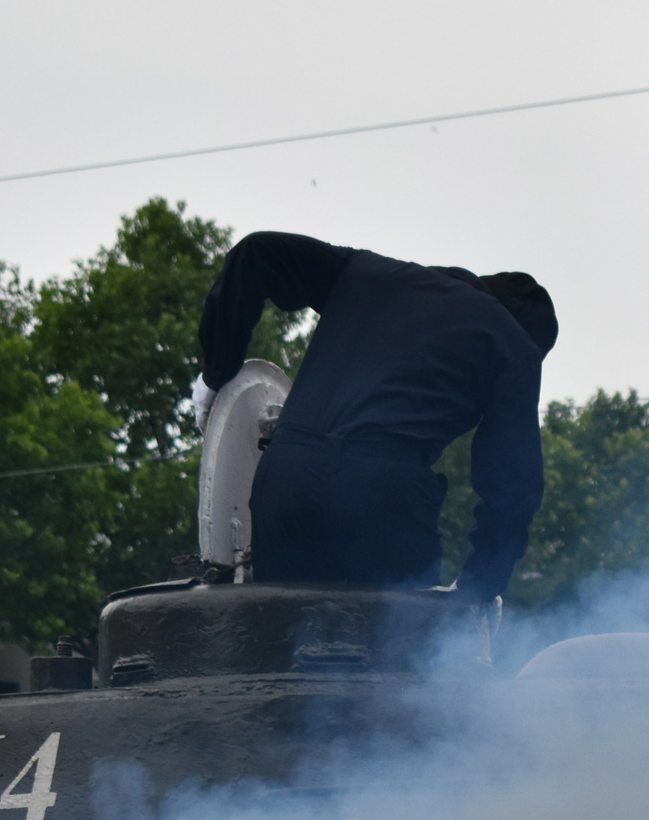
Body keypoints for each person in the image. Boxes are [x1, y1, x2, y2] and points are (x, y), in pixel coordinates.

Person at [194, 231, 557, 601]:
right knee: (400, 651)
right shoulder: (512, 343)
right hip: (382, 498)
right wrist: (480, 589)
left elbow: (258, 250)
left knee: (280, 640)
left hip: (285, 483)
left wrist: (216, 372)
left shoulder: (371, 274)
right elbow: (513, 489)